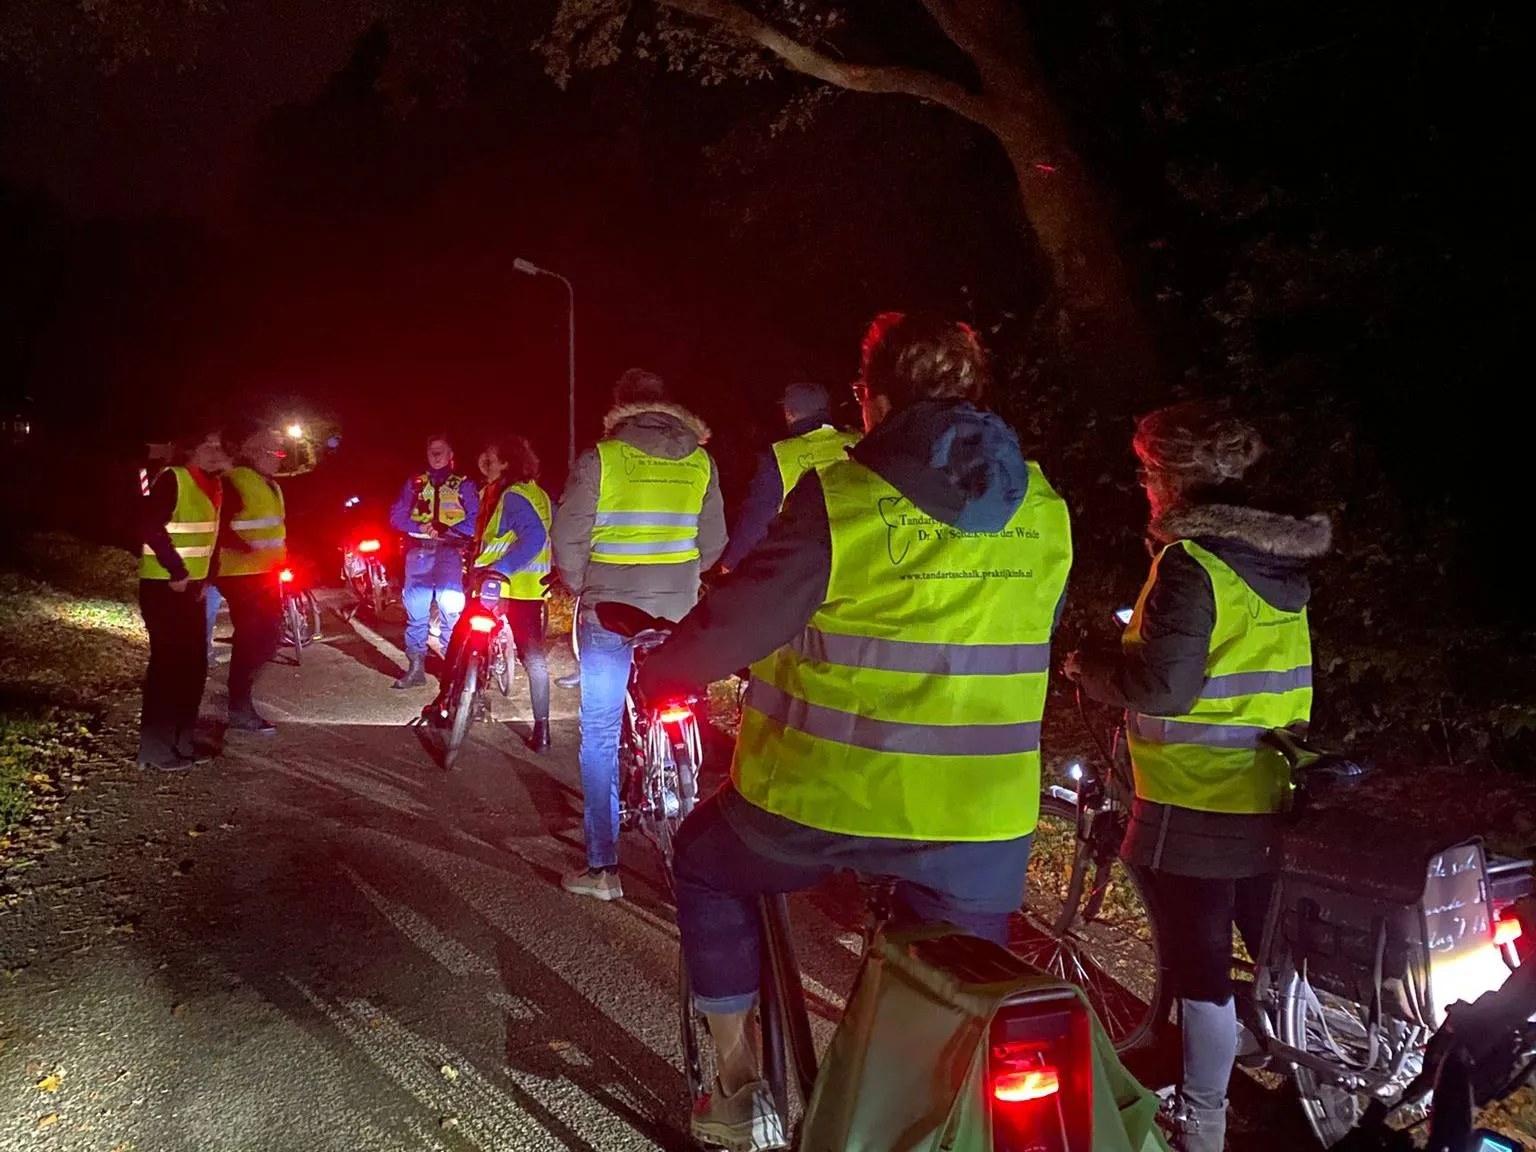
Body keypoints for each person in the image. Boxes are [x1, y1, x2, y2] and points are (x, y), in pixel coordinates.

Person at [637, 313, 1073, 1150]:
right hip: (982, 818)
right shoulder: (1045, 508)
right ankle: (912, 1117)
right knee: (955, 992)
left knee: (705, 863)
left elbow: (738, 623)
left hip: (820, 797)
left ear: (871, 402)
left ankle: (736, 1090)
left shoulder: (842, 496)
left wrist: (664, 672)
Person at [1064, 402, 1330, 1152]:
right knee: (1254, 940)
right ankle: (1268, 1057)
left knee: (1198, 963)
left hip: (1194, 793)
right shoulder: (1273, 562)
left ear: (1174, 478)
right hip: (1265, 784)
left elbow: (1164, 689)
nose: (1144, 484)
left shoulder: (1193, 563)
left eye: (1148, 470)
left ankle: (1203, 1120)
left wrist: (1093, 669)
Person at [551, 368, 726, 900]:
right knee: (679, 696)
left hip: (609, 612)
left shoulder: (601, 459)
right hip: (675, 613)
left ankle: (603, 870)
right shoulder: (701, 460)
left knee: (601, 733)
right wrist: (683, 579)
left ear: (619, 408)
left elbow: (567, 539)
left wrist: (583, 585)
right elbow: (714, 541)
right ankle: (685, 773)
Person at [427, 435, 555, 751]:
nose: (485, 462)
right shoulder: (536, 494)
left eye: (492, 458)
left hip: (499, 585)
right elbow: (494, 532)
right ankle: (543, 729)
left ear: (507, 463)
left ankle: (444, 703)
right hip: (531, 589)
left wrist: (501, 569)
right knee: (534, 656)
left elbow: (535, 536)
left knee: (460, 637)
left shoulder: (511, 496)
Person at [138, 427, 232, 771]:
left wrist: (208, 578)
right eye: (208, 443)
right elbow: (149, 526)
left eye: (218, 445)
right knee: (167, 667)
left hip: (192, 590)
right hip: (164, 587)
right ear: (190, 449)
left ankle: (182, 742)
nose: (215, 450)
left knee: (193, 667)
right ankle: (156, 749)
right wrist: (177, 570)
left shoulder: (213, 483)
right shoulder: (174, 479)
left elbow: (211, 538)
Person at [718, 382, 861, 572]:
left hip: (805, 566)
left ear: (789, 413)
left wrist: (731, 561)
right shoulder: (858, 441)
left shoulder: (781, 455)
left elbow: (759, 516)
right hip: (857, 554)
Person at [388, 433, 479, 689]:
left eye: (441, 451)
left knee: (451, 611)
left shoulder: (464, 484)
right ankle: (416, 669)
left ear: (452, 455)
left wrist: (447, 530)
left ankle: (453, 672)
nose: (436, 455)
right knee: (416, 613)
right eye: (432, 451)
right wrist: (421, 525)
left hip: (450, 554)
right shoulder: (415, 483)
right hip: (418, 554)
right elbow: (396, 517)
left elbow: (475, 519)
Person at [214, 424, 289, 735]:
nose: (279, 459)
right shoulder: (235, 481)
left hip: (263, 573)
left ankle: (239, 699)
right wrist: (245, 547)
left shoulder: (268, 483)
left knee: (268, 637)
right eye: (275, 453)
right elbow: (220, 526)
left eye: (281, 453)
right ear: (256, 453)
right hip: (239, 574)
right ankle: (239, 706)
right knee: (253, 638)